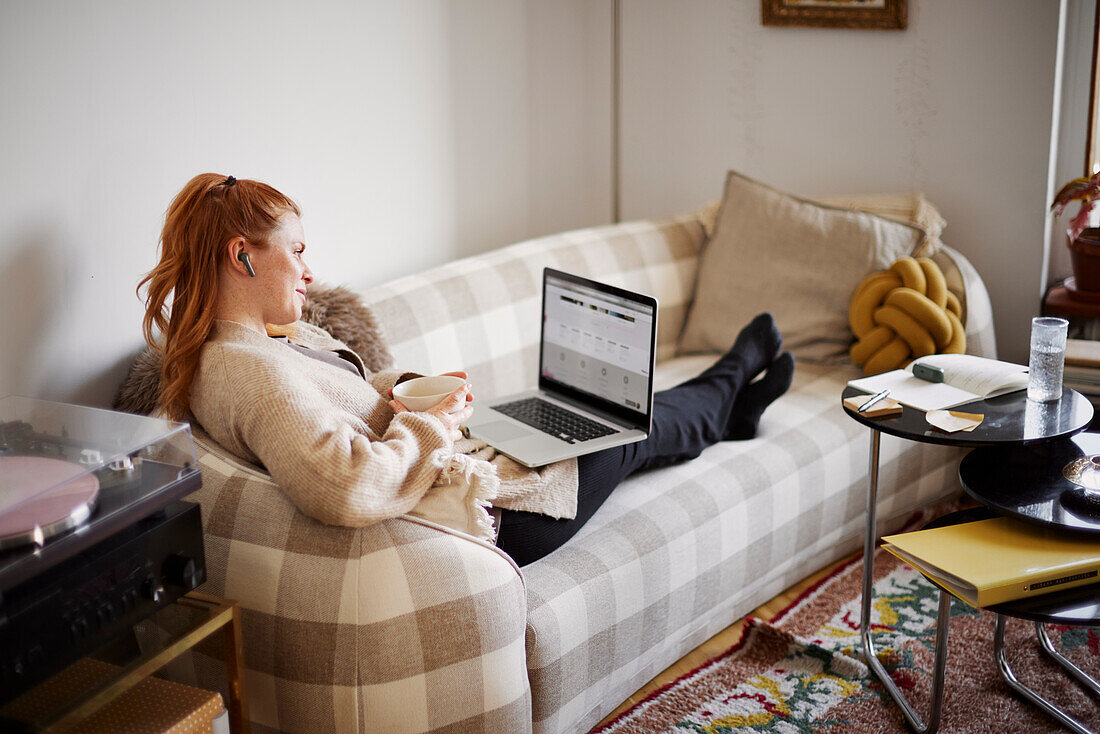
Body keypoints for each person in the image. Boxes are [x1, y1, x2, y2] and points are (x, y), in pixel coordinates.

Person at [140, 173, 794, 567]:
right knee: (626, 429)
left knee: (602, 423)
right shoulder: (243, 370)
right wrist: (426, 427)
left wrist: (407, 391)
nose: (309, 270)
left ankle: (727, 412)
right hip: (487, 514)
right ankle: (732, 377)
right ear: (243, 257)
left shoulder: (261, 341)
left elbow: (344, 398)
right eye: (297, 251)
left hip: (460, 470)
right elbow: (341, 483)